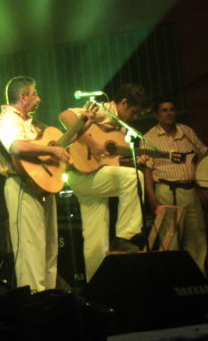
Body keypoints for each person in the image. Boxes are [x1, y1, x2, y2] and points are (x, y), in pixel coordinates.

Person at [0, 76, 77, 292]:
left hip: (42, 186)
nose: (38, 98)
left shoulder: (33, 124)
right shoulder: (5, 120)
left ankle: (49, 298)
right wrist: (52, 150)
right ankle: (34, 303)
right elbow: (16, 147)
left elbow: (44, 152)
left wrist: (65, 149)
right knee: (31, 247)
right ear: (23, 96)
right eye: (34, 93)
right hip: (20, 185)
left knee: (49, 249)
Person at [60, 83, 149, 282]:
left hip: (91, 176)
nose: (134, 118)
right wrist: (92, 143)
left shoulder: (118, 128)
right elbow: (65, 115)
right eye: (134, 112)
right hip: (82, 173)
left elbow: (108, 158)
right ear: (124, 102)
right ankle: (127, 236)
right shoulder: (105, 111)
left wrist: (130, 159)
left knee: (95, 237)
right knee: (134, 178)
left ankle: (96, 286)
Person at [142, 98, 208, 271]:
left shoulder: (186, 131)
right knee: (170, 240)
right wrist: (151, 197)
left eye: (172, 109)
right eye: (164, 110)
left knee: (197, 239)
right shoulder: (149, 138)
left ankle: (198, 281)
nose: (169, 113)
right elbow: (147, 170)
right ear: (156, 115)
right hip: (166, 191)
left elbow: (205, 153)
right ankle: (174, 283)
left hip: (190, 191)